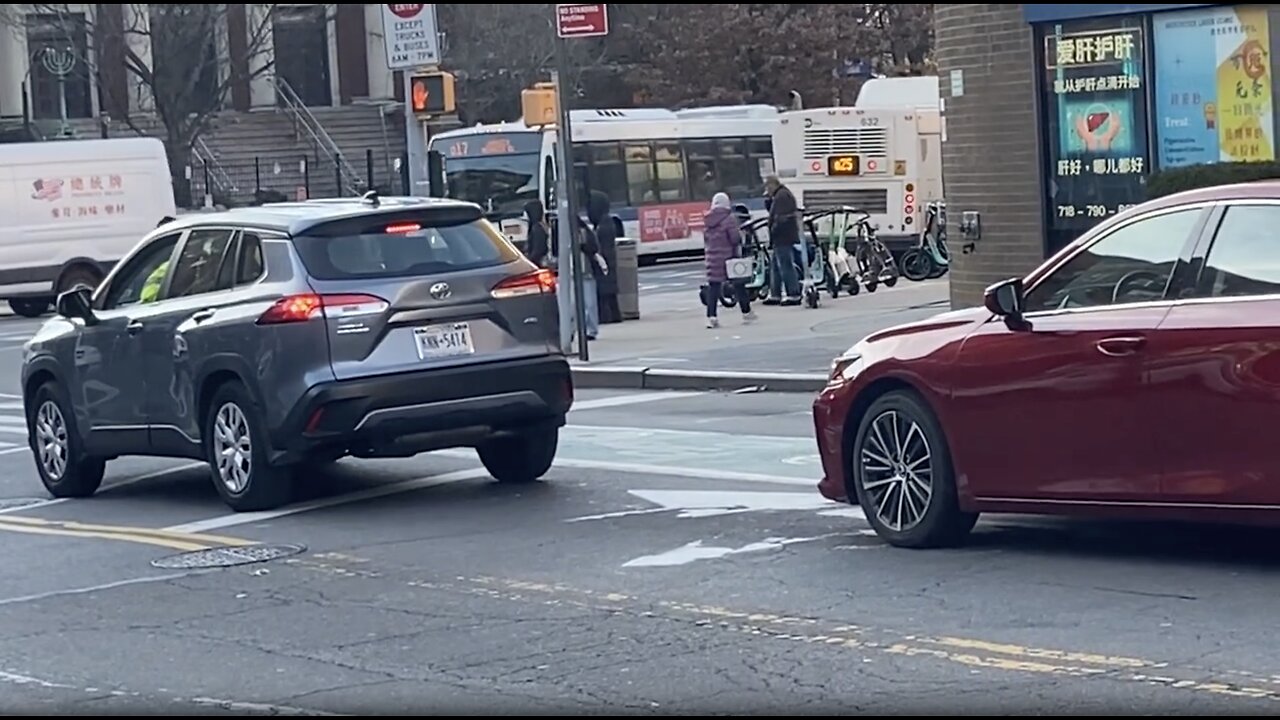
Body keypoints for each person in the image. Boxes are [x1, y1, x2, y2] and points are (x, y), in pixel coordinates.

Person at [702, 192, 756, 329]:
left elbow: (706, 239)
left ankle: (711, 317)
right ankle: (746, 312)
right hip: (729, 257)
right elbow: (734, 239)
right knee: (738, 284)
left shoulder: (708, 220)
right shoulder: (729, 219)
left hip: (712, 258)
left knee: (714, 288)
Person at [763, 174, 801, 306]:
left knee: (785, 265)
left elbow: (780, 217)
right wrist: (768, 201)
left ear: (772, 185)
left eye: (767, 187)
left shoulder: (782, 196)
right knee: (775, 266)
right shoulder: (780, 195)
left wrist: (774, 229)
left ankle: (793, 293)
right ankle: (775, 293)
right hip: (781, 236)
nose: (767, 190)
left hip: (783, 236)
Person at [587, 191, 621, 324]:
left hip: (605, 263)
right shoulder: (605, 222)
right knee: (609, 294)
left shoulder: (604, 225)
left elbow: (602, 246)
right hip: (608, 262)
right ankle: (614, 315)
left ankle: (607, 316)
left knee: (604, 292)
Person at [523, 200, 550, 267]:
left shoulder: (536, 229)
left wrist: (528, 260)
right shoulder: (540, 226)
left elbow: (538, 250)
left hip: (538, 264)